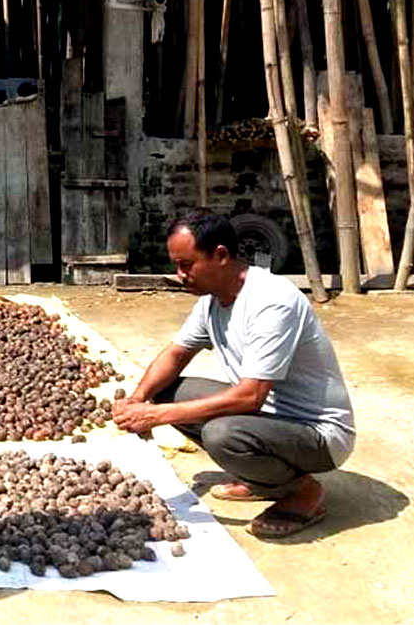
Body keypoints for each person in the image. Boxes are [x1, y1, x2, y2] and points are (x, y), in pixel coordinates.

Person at [112, 209, 355, 539]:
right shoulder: (212, 301)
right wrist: (139, 400)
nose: (180, 275)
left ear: (221, 255)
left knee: (222, 434)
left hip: (318, 433)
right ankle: (263, 479)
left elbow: (250, 397)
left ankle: (303, 492)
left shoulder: (271, 300)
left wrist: (156, 416)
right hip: (268, 419)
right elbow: (176, 353)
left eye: (187, 265)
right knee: (165, 391)